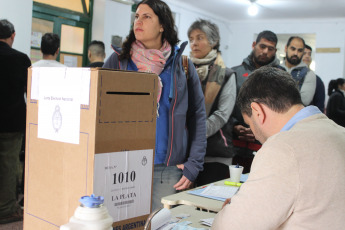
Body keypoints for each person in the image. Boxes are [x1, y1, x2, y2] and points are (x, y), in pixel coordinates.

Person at [103, 0, 206, 211]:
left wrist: (194, 164)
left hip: (166, 169)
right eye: (136, 16)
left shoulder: (182, 66)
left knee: (161, 224)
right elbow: (98, 108)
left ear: (162, 25)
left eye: (146, 16)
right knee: (122, 223)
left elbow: (197, 116)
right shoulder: (118, 61)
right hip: (122, 164)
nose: (138, 21)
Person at [212, 66, 345, 230]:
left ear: (258, 111)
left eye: (249, 124)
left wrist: (229, 212)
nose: (254, 133)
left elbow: (231, 226)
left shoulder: (282, 148)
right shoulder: (339, 132)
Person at [187, 19, 236, 186]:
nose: (194, 43)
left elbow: (222, 114)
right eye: (191, 39)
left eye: (200, 38)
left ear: (214, 41)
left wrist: (196, 133)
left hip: (215, 154)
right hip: (185, 154)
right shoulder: (182, 71)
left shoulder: (226, 74)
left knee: (209, 207)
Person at [231, 30, 284, 173]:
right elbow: (224, 107)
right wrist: (234, 125)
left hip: (266, 148)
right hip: (234, 147)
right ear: (254, 45)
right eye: (262, 46)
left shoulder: (282, 77)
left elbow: (283, 111)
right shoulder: (234, 73)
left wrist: (260, 129)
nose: (265, 51)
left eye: (270, 49)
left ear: (275, 51)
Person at [0, 19, 31, 224]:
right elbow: (32, 93)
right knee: (8, 165)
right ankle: (6, 208)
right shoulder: (21, 59)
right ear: (13, 35)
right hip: (11, 122)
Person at [282, 36, 317, 107]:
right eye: (293, 49)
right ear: (286, 48)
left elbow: (304, 100)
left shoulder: (308, 73)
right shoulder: (275, 69)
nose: (296, 53)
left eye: (300, 50)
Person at [302, 44, 326, 112]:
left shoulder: (317, 80)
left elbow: (320, 107)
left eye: (309, 54)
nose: (307, 56)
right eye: (304, 53)